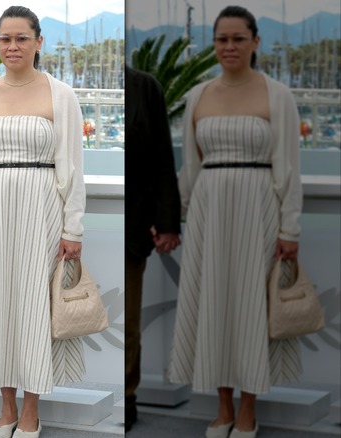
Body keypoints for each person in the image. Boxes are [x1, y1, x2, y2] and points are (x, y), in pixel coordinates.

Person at [0, 6, 86, 438]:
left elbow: (72, 168)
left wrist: (73, 229)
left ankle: (31, 410)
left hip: (42, 206)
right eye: (5, 38)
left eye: (22, 38)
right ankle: (6, 407)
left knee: (33, 307)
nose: (13, 46)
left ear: (38, 42)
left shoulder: (61, 94)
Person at [168, 6, 302, 438]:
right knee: (215, 304)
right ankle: (223, 406)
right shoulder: (199, 96)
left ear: (255, 42)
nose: (229, 46)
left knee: (251, 307)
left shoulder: (277, 94)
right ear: (214, 43)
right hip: (209, 211)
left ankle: (248, 409)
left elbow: (289, 168)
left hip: (259, 208)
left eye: (238, 39)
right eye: (222, 39)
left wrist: (289, 229)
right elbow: (190, 166)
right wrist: (175, 218)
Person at [123, 65, 182, 432]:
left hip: (134, 228)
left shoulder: (145, 87)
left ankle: (127, 398)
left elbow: (163, 158)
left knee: (128, 322)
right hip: (58, 225)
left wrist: (168, 223)